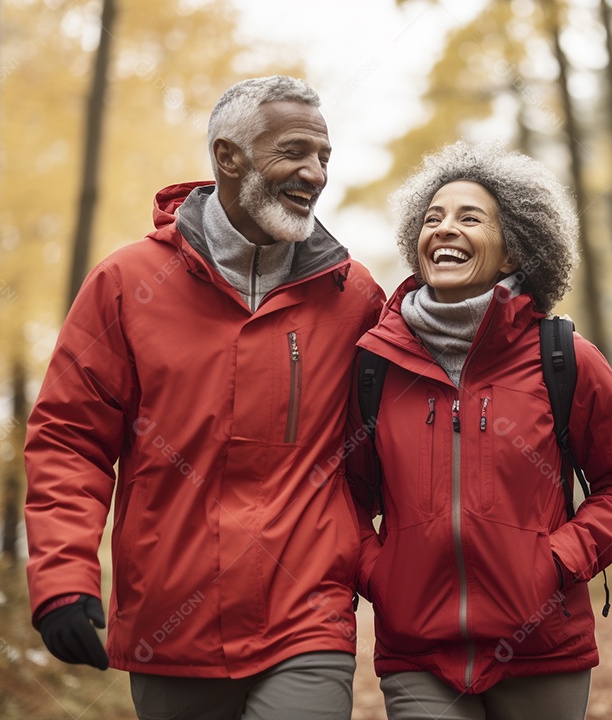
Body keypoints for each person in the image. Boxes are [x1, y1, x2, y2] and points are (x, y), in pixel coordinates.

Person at [24, 76, 384, 720]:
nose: (315, 173)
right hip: (170, 623)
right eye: (295, 152)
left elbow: (405, 431)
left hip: (308, 614)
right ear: (228, 157)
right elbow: (69, 441)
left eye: (324, 156)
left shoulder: (352, 293)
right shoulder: (126, 281)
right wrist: (61, 578)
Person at [346, 142, 612, 720]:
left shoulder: (563, 356)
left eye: (470, 218)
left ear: (515, 247)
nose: (445, 229)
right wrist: (381, 574)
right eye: (433, 218)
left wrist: (561, 559)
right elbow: (345, 491)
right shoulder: (377, 364)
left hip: (543, 649)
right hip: (419, 652)